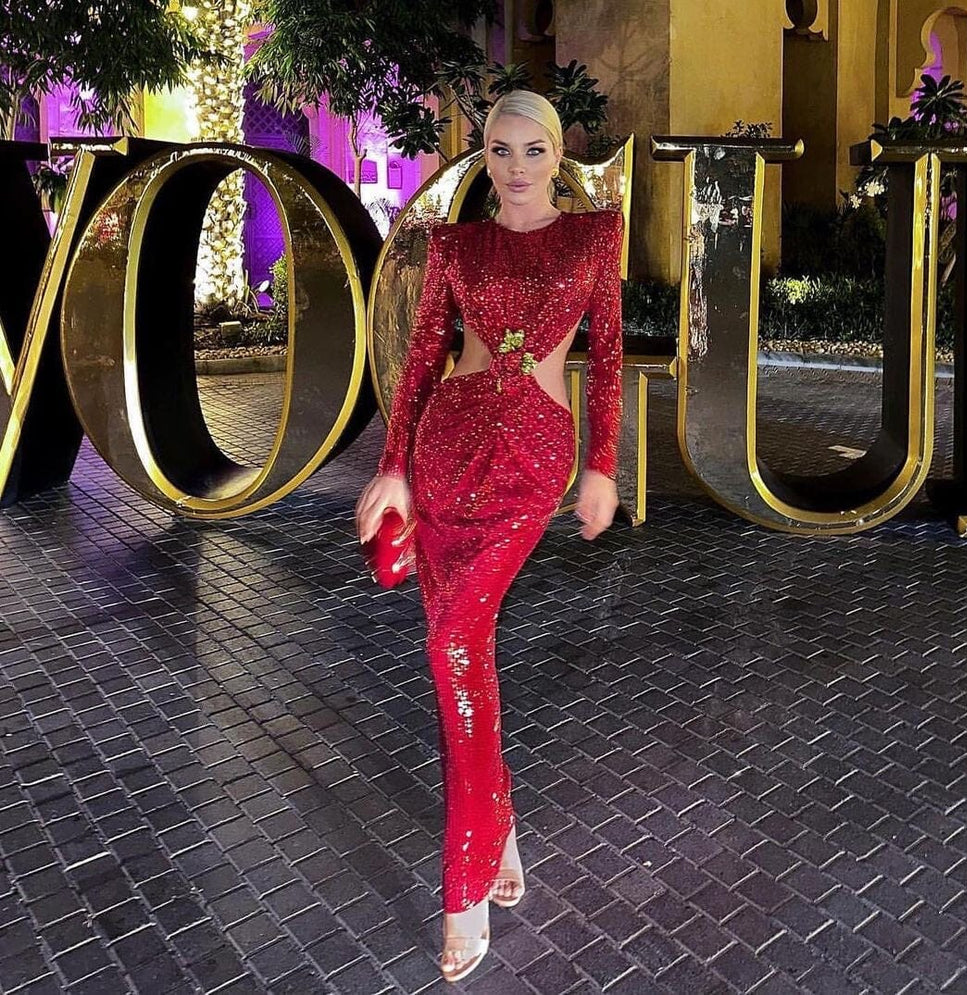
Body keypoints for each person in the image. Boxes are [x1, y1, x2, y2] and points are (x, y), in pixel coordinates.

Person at [355, 89, 624, 983]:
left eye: (532, 150)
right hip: (445, 450)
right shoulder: (455, 245)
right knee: (461, 650)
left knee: (453, 644)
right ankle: (497, 821)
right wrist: (394, 465)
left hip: (531, 460)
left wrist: (602, 465)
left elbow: (608, 357)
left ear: (558, 157)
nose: (515, 168)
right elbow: (421, 356)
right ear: (483, 158)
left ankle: (465, 878)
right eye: (500, 152)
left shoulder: (594, 238)